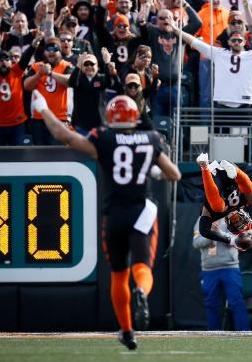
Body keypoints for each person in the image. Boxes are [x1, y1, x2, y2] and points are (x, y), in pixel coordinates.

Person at [30, 91, 181, 350]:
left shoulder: (104, 137)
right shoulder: (151, 138)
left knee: (118, 276)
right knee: (142, 268)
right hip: (138, 211)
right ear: (135, 116)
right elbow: (174, 174)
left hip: (114, 216)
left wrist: (43, 108)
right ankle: (142, 293)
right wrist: (152, 169)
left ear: (110, 117)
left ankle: (126, 331)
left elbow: (64, 135)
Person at [192, 217, 250, 331]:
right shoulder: (201, 220)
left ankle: (245, 333)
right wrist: (210, 234)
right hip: (209, 269)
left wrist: (219, 233)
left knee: (236, 302)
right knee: (211, 305)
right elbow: (196, 242)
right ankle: (213, 336)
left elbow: (240, 240)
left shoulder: (233, 216)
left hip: (230, 267)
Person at [195, 153, 252, 249]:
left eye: (236, 225)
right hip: (230, 173)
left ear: (228, 225)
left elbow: (203, 231)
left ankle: (204, 166)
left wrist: (231, 240)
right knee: (248, 189)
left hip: (213, 177)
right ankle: (236, 171)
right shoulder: (244, 202)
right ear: (246, 216)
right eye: (241, 221)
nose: (237, 221)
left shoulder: (217, 216)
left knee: (217, 207)